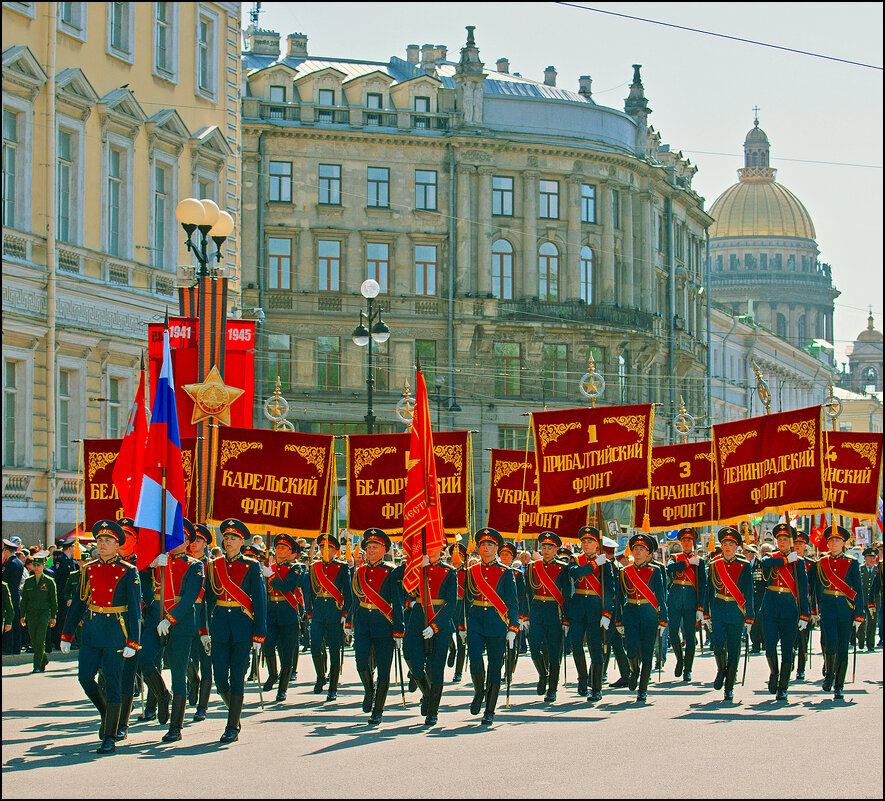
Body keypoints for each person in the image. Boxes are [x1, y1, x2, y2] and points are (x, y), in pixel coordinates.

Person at [60, 520, 141, 755]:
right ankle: (107, 712)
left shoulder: (128, 571)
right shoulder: (89, 569)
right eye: (100, 541)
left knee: (113, 683)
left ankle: (109, 736)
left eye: (108, 541)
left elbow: (135, 609)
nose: (102, 544)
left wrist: (133, 641)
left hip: (116, 632)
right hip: (93, 631)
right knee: (85, 678)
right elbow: (78, 603)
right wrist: (67, 634)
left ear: (118, 545)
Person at [205, 518, 267, 743]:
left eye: (233, 538)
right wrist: (204, 629)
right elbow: (208, 600)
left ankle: (231, 726)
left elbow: (260, 601)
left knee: (237, 677)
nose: (228, 541)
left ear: (242, 541)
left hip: (242, 626)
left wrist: (259, 634)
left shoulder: (251, 566)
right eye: (226, 538)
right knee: (221, 678)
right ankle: (236, 713)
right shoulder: (214, 565)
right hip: (220, 625)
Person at [151, 519, 205, 742]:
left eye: (181, 538)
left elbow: (190, 598)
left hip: (181, 623)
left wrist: (170, 619)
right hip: (155, 620)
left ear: (188, 543)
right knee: (145, 662)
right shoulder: (159, 561)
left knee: (177, 673)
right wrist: (151, 566)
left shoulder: (195, 565)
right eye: (172, 537)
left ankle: (176, 726)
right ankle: (162, 696)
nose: (176, 542)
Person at [399, 535, 457, 725]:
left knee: (436, 668)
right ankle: (427, 694)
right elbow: (404, 595)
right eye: (427, 548)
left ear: (442, 549)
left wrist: (435, 625)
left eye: (434, 548)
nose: (430, 551)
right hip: (416, 621)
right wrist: (415, 568)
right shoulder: (414, 570)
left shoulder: (449, 572)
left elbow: (451, 603)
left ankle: (433, 710)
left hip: (439, 623)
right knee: (414, 664)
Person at [464, 528, 519, 725]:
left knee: (495, 665)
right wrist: (463, 626)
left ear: (496, 548)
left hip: (497, 620)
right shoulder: (472, 571)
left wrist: (513, 627)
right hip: (476, 619)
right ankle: (479, 691)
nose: (485, 548)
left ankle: (490, 709)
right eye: (482, 545)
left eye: (490, 545)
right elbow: (466, 599)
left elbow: (512, 602)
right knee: (475, 660)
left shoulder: (506, 571)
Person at [349, 529, 403, 725]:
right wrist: (349, 621)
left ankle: (378, 709)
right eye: (368, 547)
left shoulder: (391, 571)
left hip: (384, 623)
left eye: (375, 547)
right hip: (363, 621)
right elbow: (354, 599)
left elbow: (397, 602)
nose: (371, 550)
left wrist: (399, 628)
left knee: (384, 669)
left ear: (383, 550)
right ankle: (368, 690)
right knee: (361, 661)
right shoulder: (359, 571)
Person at [810, 525, 865, 700]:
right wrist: (813, 610)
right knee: (830, 642)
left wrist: (859, 613)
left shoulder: (852, 562)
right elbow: (815, 588)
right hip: (827, 608)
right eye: (831, 540)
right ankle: (829, 673)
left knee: (843, 647)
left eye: (838, 540)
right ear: (827, 544)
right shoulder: (820, 563)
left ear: (843, 543)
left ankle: (839, 685)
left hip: (845, 608)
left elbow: (858, 589)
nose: (834, 543)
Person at [759, 523, 810, 701]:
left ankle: (783, 686)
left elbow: (803, 590)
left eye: (785, 539)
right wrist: (786, 560)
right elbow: (764, 563)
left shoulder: (800, 562)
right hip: (771, 607)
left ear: (791, 542)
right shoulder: (770, 557)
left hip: (790, 608)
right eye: (779, 539)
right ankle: (774, 672)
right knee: (770, 646)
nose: (782, 542)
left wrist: (805, 614)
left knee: (788, 649)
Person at [703, 526, 754, 702]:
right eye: (724, 544)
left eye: (731, 544)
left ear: (737, 547)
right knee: (717, 645)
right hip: (718, 608)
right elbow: (708, 591)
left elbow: (749, 593)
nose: (727, 547)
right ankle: (721, 670)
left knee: (733, 649)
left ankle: (729, 686)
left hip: (736, 610)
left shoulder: (744, 566)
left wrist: (750, 617)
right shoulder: (714, 565)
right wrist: (705, 613)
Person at [616, 533, 667, 702]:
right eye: (635, 548)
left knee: (647, 653)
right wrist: (618, 620)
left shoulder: (656, 570)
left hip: (649, 614)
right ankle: (633, 670)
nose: (637, 552)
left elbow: (661, 597)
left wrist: (663, 619)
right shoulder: (624, 572)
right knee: (630, 650)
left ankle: (643, 688)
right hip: (631, 613)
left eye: (641, 549)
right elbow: (620, 597)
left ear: (649, 553)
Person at [567, 526, 614, 701]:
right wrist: (594, 564)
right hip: (578, 608)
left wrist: (607, 613)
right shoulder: (574, 560)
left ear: (597, 544)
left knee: (596, 650)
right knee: (576, 645)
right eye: (584, 542)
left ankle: (596, 687)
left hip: (596, 609)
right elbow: (574, 573)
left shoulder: (607, 564)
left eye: (590, 542)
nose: (586, 545)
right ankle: (582, 678)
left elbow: (609, 590)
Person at [524, 531, 572, 703]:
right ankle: (543, 675)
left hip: (554, 612)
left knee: (554, 652)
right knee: (534, 648)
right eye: (544, 547)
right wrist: (525, 615)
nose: (546, 550)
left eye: (550, 547)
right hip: (537, 611)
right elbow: (527, 592)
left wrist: (566, 618)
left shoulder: (563, 567)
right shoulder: (532, 567)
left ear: (556, 549)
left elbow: (566, 594)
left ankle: (552, 688)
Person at [260, 533, 306, 702]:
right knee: (268, 644)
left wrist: (270, 576)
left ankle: (283, 688)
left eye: (283, 548)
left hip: (288, 611)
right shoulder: (268, 566)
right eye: (278, 547)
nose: (280, 550)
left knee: (287, 652)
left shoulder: (296, 568)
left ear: (290, 552)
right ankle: (273, 674)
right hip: (271, 611)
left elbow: (287, 587)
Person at [306, 533, 351, 702]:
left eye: (329, 548)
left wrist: (345, 614)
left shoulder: (342, 567)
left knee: (334, 651)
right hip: (318, 612)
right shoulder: (313, 567)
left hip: (335, 612)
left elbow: (348, 593)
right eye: (321, 548)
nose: (324, 551)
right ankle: (320, 676)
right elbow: (309, 591)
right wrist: (309, 612)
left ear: (335, 551)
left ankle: (333, 686)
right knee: (315, 646)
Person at [665, 529, 706, 683]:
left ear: (693, 543)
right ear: (681, 543)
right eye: (684, 540)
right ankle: (679, 659)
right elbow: (670, 568)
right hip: (675, 599)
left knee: (689, 636)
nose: (686, 543)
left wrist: (701, 607)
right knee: (674, 632)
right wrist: (688, 563)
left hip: (690, 600)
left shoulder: (700, 561)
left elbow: (703, 584)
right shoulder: (675, 558)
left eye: (689, 540)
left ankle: (688, 669)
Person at [186, 523, 214, 722]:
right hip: (186, 617)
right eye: (192, 540)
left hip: (205, 620)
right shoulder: (183, 562)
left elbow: (212, 597)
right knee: (186, 661)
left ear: (205, 543)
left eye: (198, 541)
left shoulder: (212, 566)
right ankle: (192, 681)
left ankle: (202, 706)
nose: (194, 544)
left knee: (206, 665)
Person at [19, 551, 57, 673]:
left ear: (43, 566)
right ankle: (43, 659)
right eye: (34, 565)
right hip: (31, 614)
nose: (36, 568)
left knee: (40, 639)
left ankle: (36, 665)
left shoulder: (49, 581)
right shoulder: (29, 581)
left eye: (39, 566)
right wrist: (22, 615)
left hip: (43, 614)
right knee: (34, 640)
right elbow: (24, 600)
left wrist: (53, 616)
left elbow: (53, 601)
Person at [498, 541, 529, 678]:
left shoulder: (517, 574)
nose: (504, 557)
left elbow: (522, 597)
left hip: (512, 612)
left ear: (512, 557)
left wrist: (522, 617)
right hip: (498, 612)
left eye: (507, 555)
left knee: (512, 644)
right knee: (498, 645)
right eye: (502, 554)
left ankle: (509, 671)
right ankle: (497, 669)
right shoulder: (496, 571)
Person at [792, 530, 817, 680]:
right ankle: (789, 663)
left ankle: (801, 668)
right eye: (795, 543)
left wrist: (813, 610)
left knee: (803, 639)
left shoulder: (811, 565)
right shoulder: (787, 560)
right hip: (789, 603)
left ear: (805, 546)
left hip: (804, 605)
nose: (797, 546)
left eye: (800, 544)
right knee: (789, 638)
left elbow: (813, 588)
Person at [446, 542, 468, 683]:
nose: (456, 560)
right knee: (447, 633)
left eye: (459, 556)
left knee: (462, 640)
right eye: (454, 556)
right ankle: (451, 649)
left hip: (462, 607)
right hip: (449, 607)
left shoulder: (468, 573)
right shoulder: (447, 571)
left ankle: (458, 671)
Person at [51, 536, 76, 649]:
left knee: (67, 618)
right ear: (70, 547)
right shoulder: (60, 559)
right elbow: (59, 578)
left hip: (68, 594)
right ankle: (58, 641)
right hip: (62, 594)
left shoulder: (69, 560)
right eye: (74, 546)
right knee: (61, 618)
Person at [2, 538, 24, 655]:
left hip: (8, 595)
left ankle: (8, 647)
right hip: (15, 594)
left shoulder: (9, 563)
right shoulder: (19, 562)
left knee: (8, 622)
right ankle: (17, 647)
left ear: (6, 550)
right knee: (15, 623)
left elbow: (4, 579)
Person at [858, 546, 882, 651]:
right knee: (861, 623)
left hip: (874, 601)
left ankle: (870, 643)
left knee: (872, 623)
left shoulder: (879, 570)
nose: (872, 560)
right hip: (862, 600)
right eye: (869, 557)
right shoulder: (860, 569)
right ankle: (861, 640)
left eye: (873, 557)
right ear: (865, 558)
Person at [745, 544, 765, 653]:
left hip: (760, 598)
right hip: (749, 598)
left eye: (747, 553)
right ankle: (755, 644)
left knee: (760, 621)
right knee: (751, 621)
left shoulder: (760, 564)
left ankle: (764, 643)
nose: (745, 556)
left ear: (751, 554)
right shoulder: (745, 565)